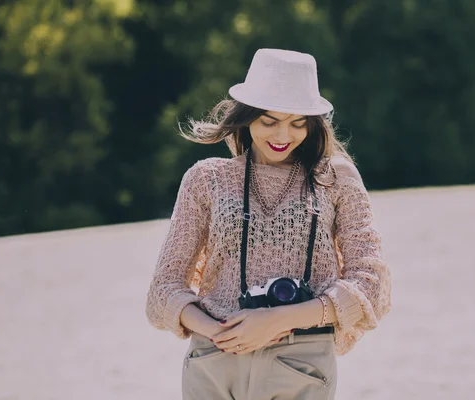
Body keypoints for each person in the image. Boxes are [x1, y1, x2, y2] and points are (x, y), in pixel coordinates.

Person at [145, 48, 392, 400]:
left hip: (300, 361)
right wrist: (217, 331)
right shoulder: (207, 179)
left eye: (297, 122)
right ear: (246, 118)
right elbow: (164, 290)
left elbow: (369, 283)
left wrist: (280, 320)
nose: (282, 135)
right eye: (269, 120)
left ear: (313, 122)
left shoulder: (337, 178)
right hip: (215, 359)